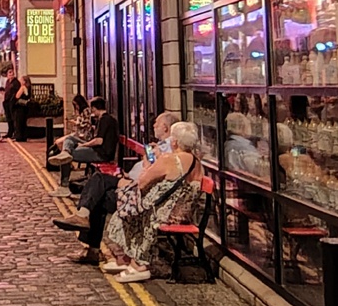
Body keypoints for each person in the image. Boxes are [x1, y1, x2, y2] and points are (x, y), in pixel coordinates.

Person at [53, 122, 202, 281]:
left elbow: (143, 181)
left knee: (100, 194)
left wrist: (149, 162)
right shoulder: (197, 163)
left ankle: (92, 237)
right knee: (100, 184)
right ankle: (86, 221)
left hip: (153, 208)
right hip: (171, 209)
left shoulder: (169, 159)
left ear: (175, 141)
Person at [49, 97, 118, 168]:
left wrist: (84, 145)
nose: (91, 111)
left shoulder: (104, 120)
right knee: (69, 138)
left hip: (101, 154)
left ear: (94, 108)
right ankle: (65, 152)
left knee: (68, 156)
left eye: (91, 108)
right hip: (98, 150)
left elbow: (98, 141)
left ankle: (64, 175)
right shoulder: (105, 119)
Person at [11, 76, 34, 142]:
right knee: (23, 122)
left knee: (18, 122)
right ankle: (24, 136)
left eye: (21, 80)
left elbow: (17, 96)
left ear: (24, 81)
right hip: (25, 108)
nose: (20, 81)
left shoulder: (22, 87)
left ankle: (19, 136)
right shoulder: (28, 88)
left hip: (19, 107)